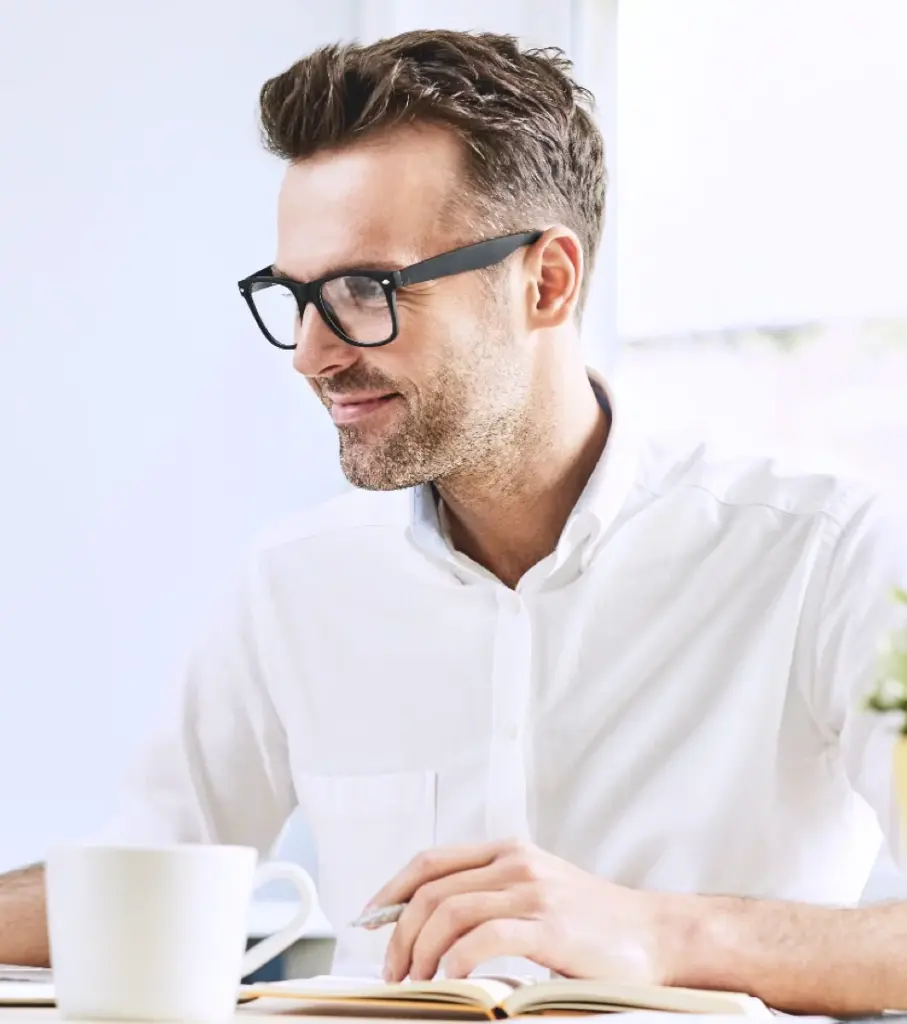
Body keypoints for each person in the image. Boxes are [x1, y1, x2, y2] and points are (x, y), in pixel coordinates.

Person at [2, 28, 907, 1014]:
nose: (309, 354)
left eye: (364, 290)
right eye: (294, 296)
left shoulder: (826, 552)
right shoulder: (295, 582)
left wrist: (660, 933)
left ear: (545, 282)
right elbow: (138, 885)